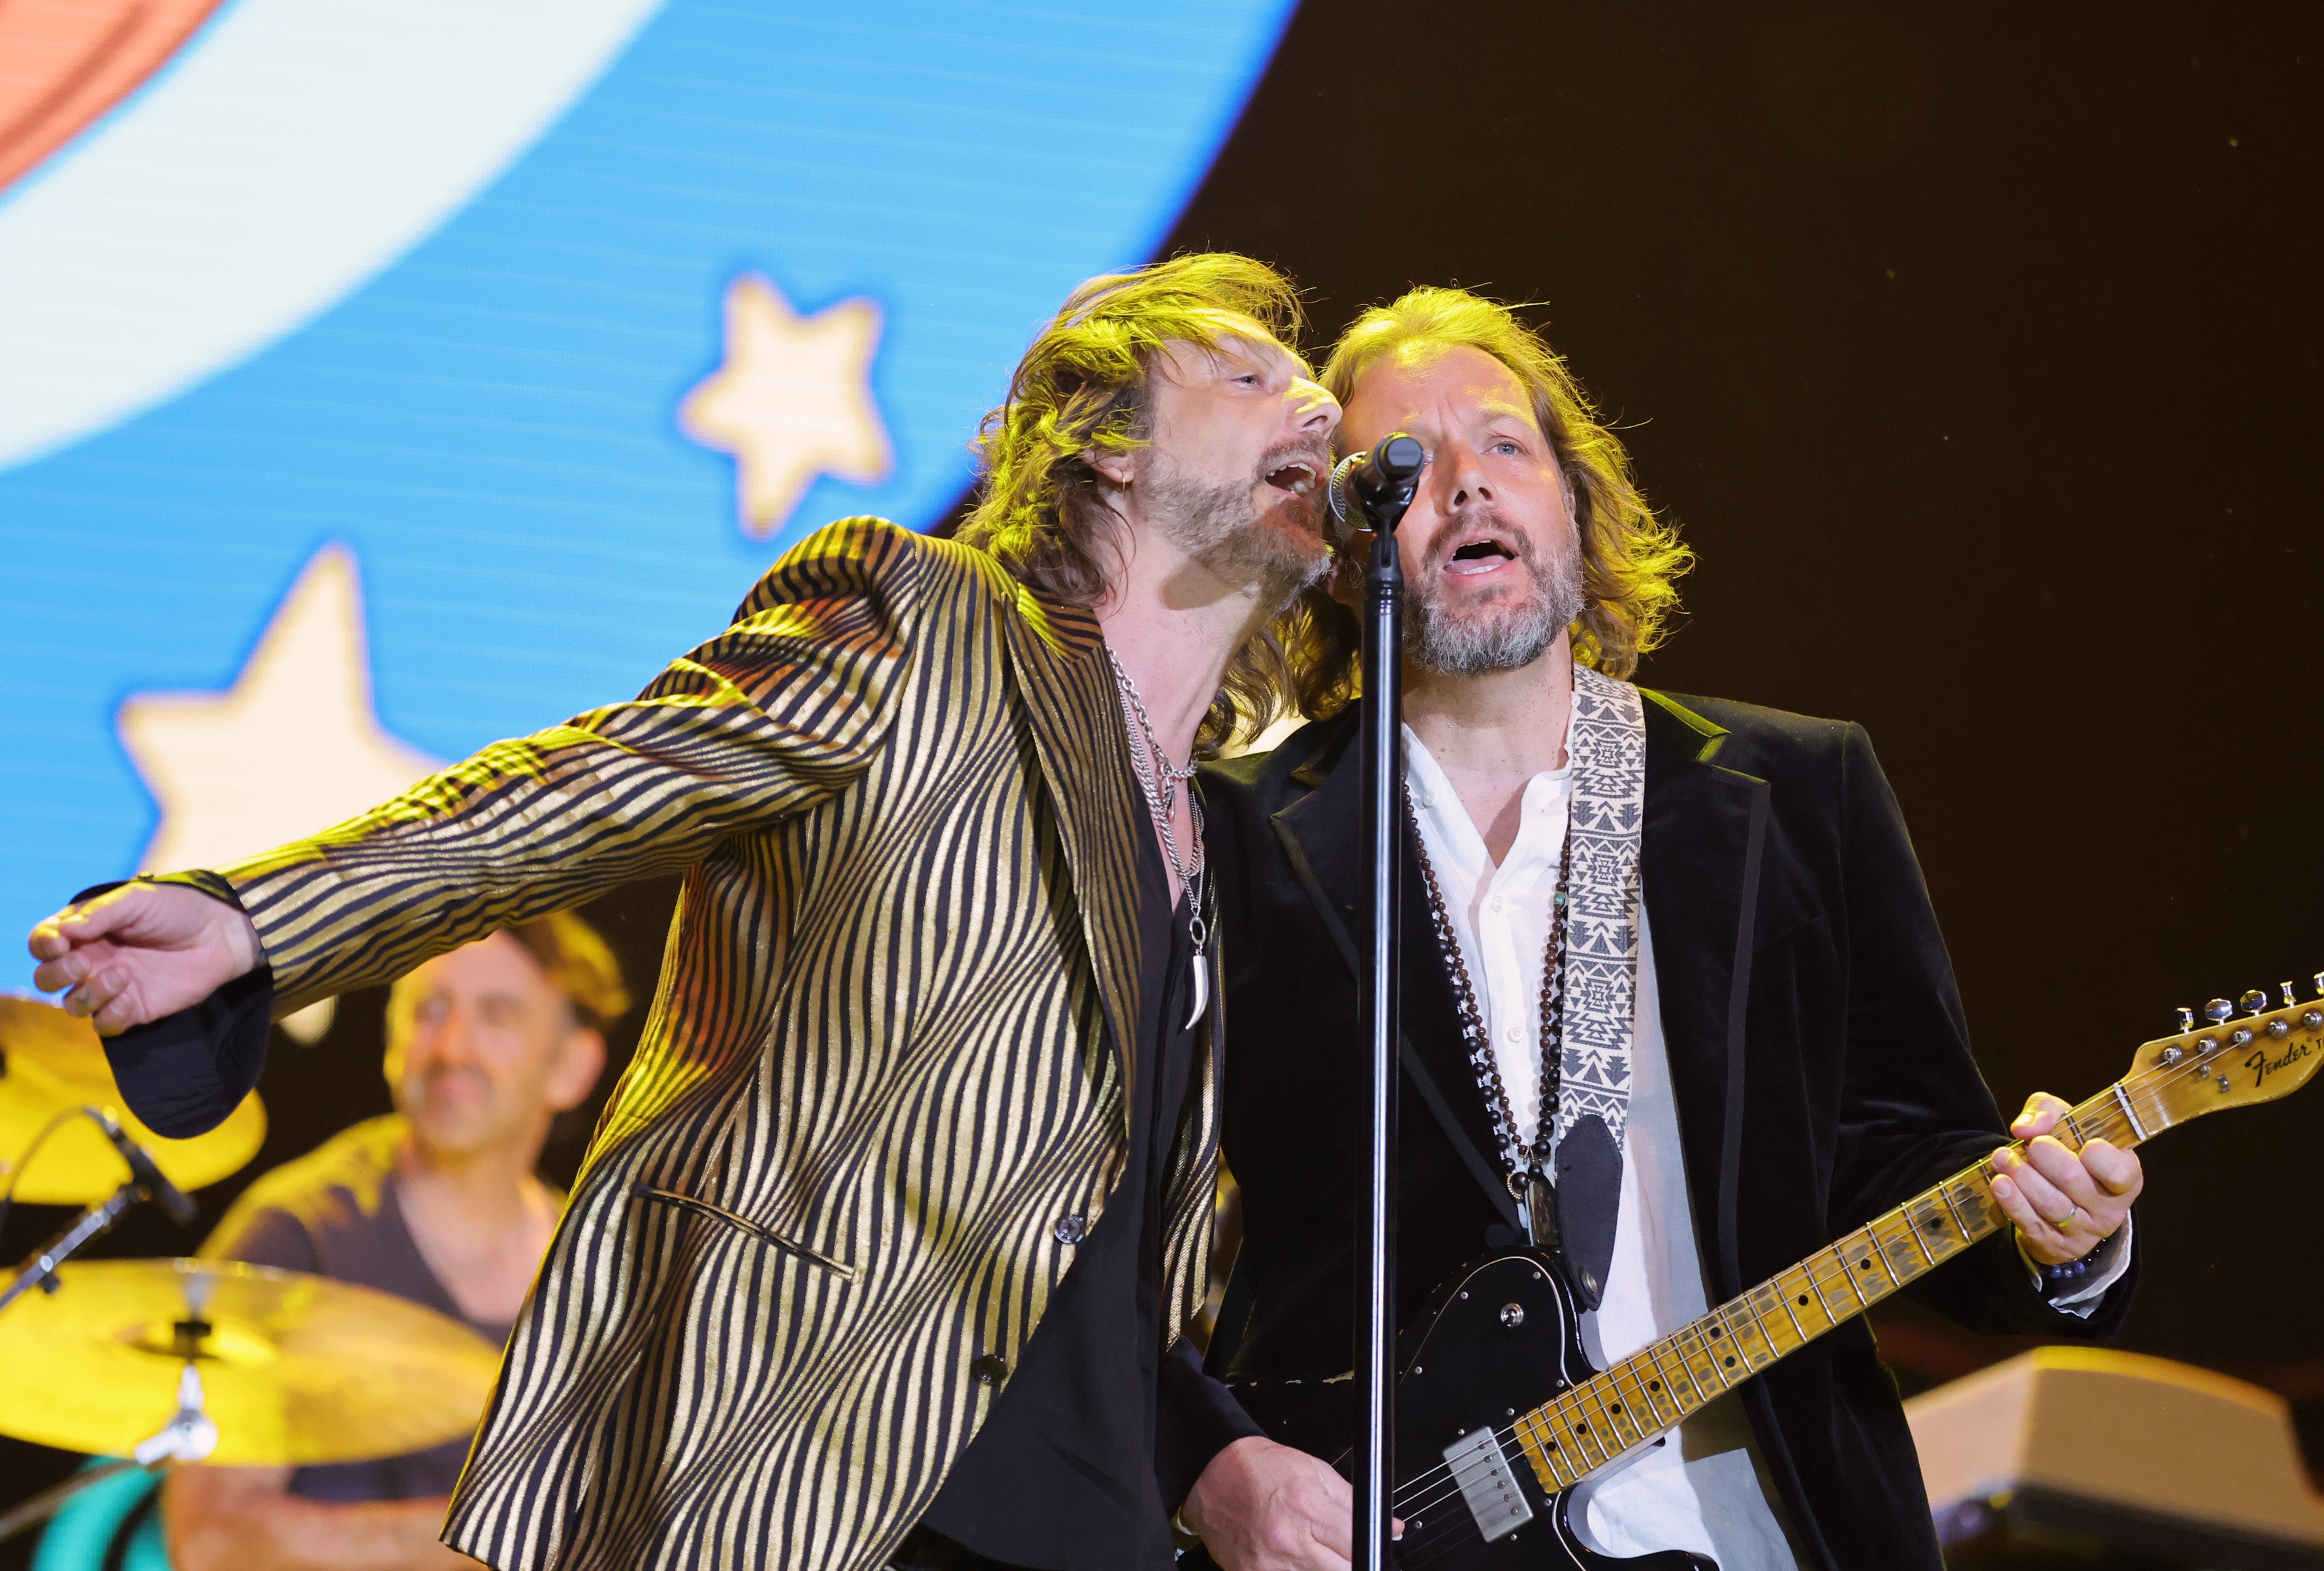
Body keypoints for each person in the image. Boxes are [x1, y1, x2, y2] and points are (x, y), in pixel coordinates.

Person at [29, 252, 1342, 1571]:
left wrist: (1212, 1450)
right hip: (818, 1480)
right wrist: (259, 920)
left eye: (1316, 392)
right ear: (1103, 447)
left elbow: (1106, 1248)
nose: (1321, 413)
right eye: (1248, 378)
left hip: (1091, 1535)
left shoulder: (1215, 835)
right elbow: (596, 785)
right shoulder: (927, 619)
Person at [1186, 288, 2144, 1571]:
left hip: (1764, 1532)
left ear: (1575, 506)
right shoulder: (1242, 832)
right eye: (1406, 464)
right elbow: (1117, 1224)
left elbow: (1903, 1153)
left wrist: (2061, 1236)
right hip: (1398, 1531)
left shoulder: (1794, 790)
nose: (1467, 486)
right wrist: (1202, 1461)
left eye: (1506, 446)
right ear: (1341, 539)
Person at [163, 914, 622, 1571]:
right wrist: (494, 1543)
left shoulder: (598, 1279)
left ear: (573, 1066)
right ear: (391, 1042)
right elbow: (211, 1543)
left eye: (497, 1015)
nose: (453, 1047)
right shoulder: (296, 1236)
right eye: (429, 1010)